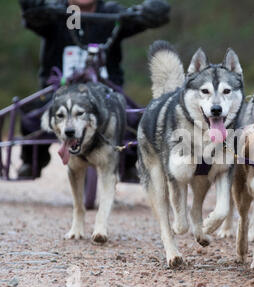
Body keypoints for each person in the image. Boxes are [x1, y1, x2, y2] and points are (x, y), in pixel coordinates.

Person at [18, 0, 170, 180]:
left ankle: (128, 164)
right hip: (59, 89)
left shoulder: (111, 12)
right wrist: (33, 6)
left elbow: (138, 20)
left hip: (107, 91)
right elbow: (32, 14)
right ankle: (31, 162)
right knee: (33, 117)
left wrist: (153, 10)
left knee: (133, 118)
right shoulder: (54, 11)